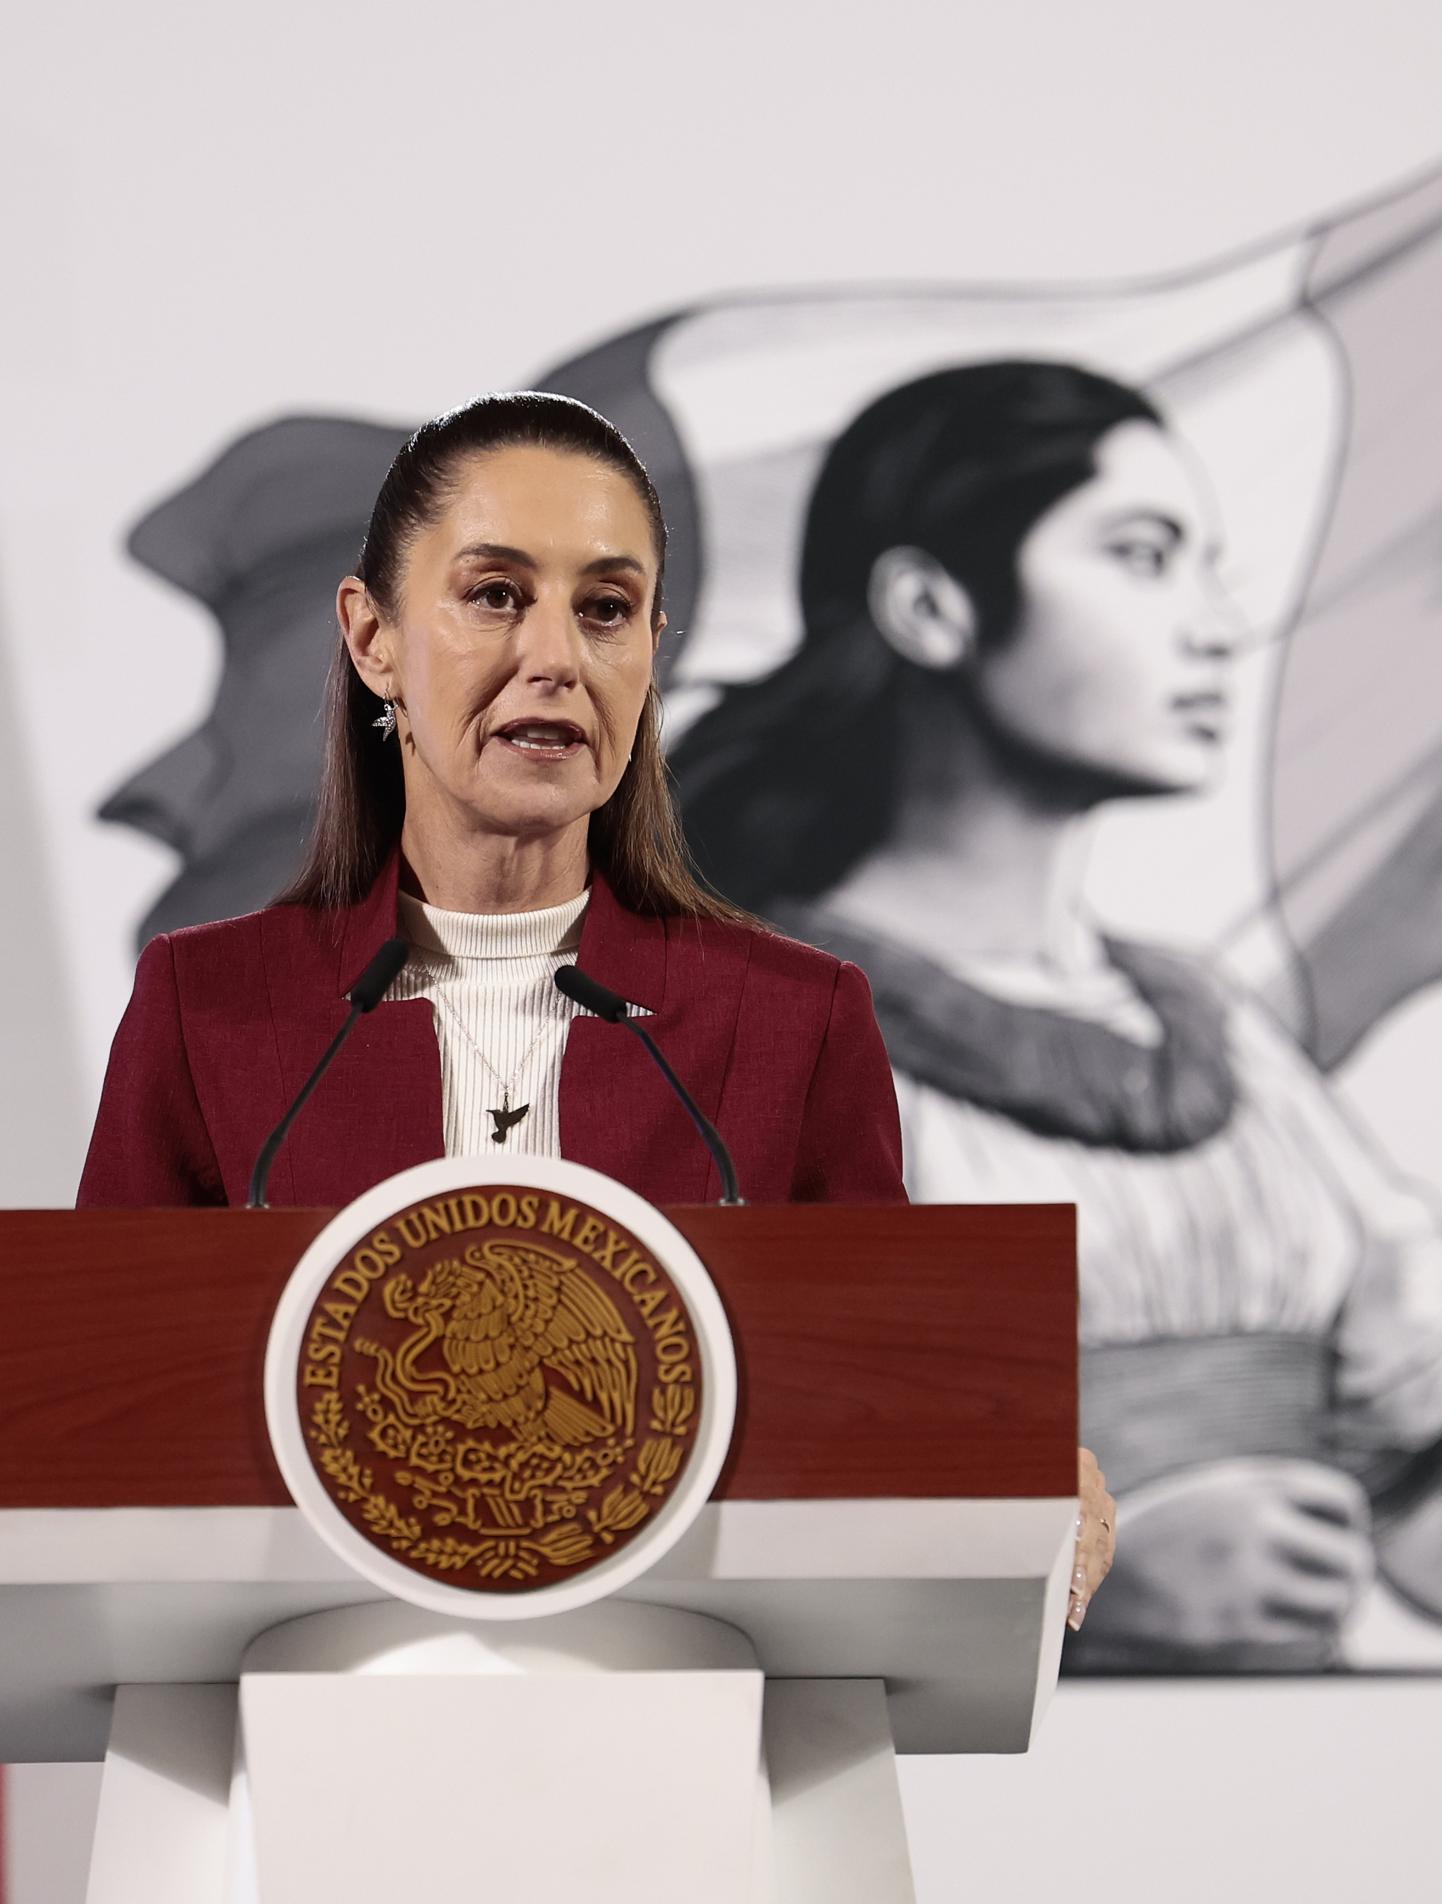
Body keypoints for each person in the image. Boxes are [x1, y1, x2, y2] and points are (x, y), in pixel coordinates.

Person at [77, 388, 1114, 1626]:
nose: (555, 659)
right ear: (374, 640)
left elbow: (872, 1395)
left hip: (686, 1724)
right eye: (495, 595)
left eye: (606, 610)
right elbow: (98, 1412)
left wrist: (1001, 1461)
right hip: (317, 1721)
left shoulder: (795, 1019)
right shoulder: (212, 1007)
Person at [671, 360, 1442, 1672]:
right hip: (945, 1807)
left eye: (1207, 566)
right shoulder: (732, 1038)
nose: (1210, 628)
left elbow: (1403, 1435)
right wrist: (1071, 1576)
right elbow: (642, 1498)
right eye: (1140, 558)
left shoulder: (1216, 1033)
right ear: (929, 606)